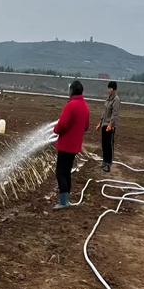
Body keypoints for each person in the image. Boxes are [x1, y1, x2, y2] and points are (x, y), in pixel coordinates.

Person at [52, 80, 90, 210]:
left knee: (60, 172)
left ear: (72, 91)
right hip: (75, 146)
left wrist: (56, 130)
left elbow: (62, 124)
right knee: (67, 172)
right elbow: (86, 126)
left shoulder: (71, 105)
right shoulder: (85, 106)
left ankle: (63, 202)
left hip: (66, 145)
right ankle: (66, 200)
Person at [95, 80, 120, 173]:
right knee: (104, 144)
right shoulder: (108, 99)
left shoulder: (116, 100)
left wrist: (110, 124)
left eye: (110, 89)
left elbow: (115, 114)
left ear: (114, 90)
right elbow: (104, 112)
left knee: (109, 144)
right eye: (108, 88)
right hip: (104, 124)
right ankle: (104, 161)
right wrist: (100, 123)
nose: (108, 90)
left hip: (110, 125)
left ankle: (109, 163)